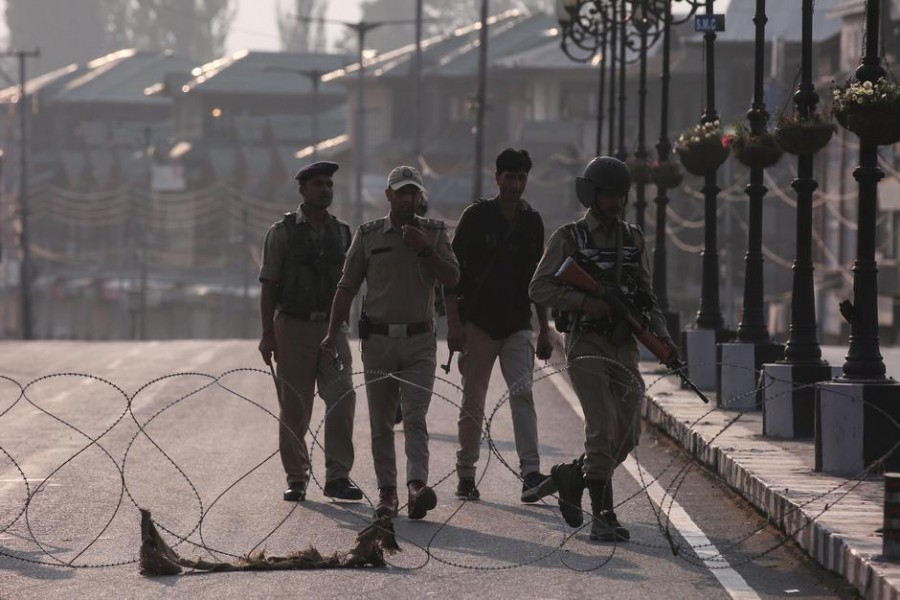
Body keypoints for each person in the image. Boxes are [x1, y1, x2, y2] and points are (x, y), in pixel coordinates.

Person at [528, 156, 676, 541]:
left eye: (621, 194)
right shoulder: (568, 238)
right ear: (593, 195)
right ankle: (604, 516)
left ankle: (570, 477)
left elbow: (646, 295)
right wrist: (585, 302)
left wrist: (661, 336)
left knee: (626, 432)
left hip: (624, 344)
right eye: (609, 194)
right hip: (587, 340)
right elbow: (538, 288)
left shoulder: (633, 238)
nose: (616, 201)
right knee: (601, 425)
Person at [321, 165, 459, 520]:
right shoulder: (368, 236)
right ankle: (387, 493)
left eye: (413, 192)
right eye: (401, 192)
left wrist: (426, 250)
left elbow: (453, 278)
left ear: (419, 197)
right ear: (389, 196)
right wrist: (331, 333)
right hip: (379, 341)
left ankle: (416, 486)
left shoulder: (434, 232)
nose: (408, 198)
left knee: (414, 416)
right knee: (382, 423)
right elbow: (347, 287)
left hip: (419, 342)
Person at [444, 148, 553, 502]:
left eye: (522, 178)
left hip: (517, 324)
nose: (516, 184)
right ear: (498, 178)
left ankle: (531, 472)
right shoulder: (476, 218)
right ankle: (466, 473)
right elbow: (452, 275)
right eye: (510, 177)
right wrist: (455, 324)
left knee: (523, 396)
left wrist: (545, 328)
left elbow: (539, 280)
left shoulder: (532, 222)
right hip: (479, 324)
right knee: (473, 400)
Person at [258, 161, 363, 503]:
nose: (325, 190)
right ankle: (297, 477)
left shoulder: (343, 232)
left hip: (332, 329)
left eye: (330, 185)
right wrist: (268, 334)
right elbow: (269, 284)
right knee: (295, 407)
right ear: (302, 190)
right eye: (318, 184)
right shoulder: (283, 232)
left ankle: (337, 476)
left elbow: (353, 282)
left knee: (343, 397)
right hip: (294, 326)